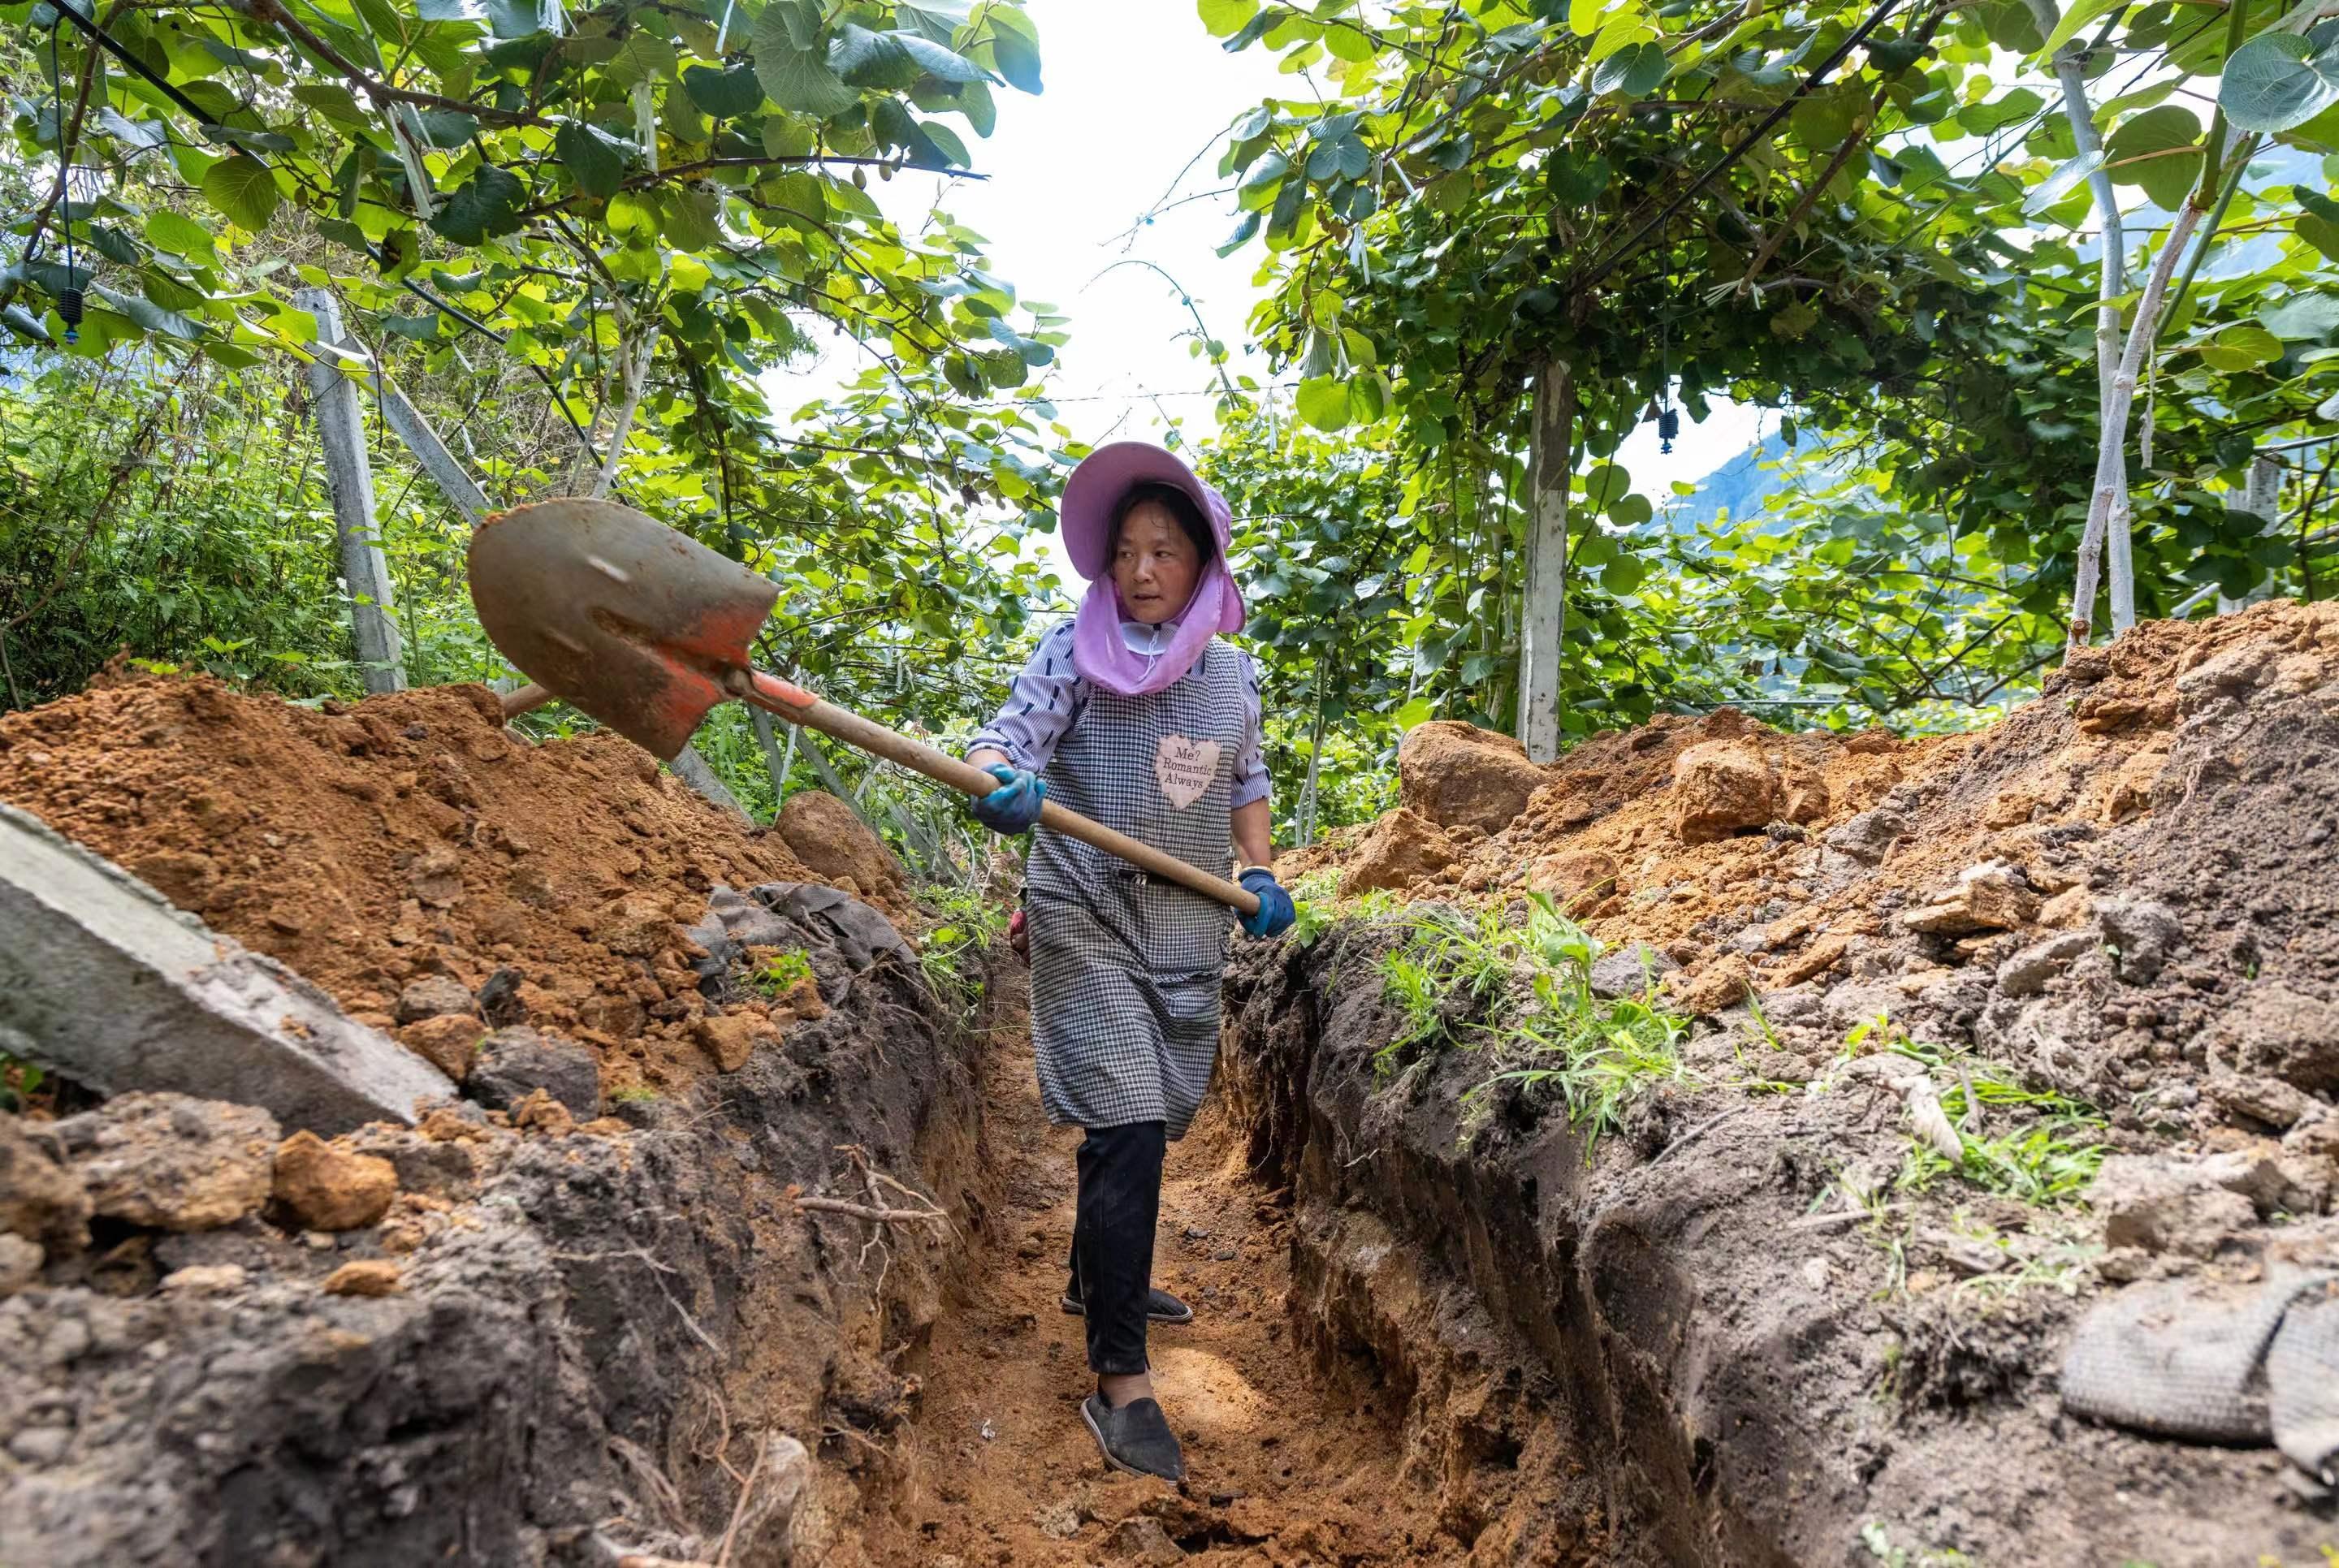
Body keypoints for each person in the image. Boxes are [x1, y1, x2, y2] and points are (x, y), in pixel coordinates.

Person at [962, 441, 1296, 1482]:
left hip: (1187, 925)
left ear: (1205, 567)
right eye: (1126, 552)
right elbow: (998, 740)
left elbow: (1246, 776)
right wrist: (996, 779)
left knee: (1163, 1107)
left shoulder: (1232, 674)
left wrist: (1262, 869)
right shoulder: (1071, 650)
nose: (1142, 570)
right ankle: (1120, 1377)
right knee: (1129, 1120)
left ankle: (1095, 1273)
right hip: (1082, 908)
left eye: (1165, 551)